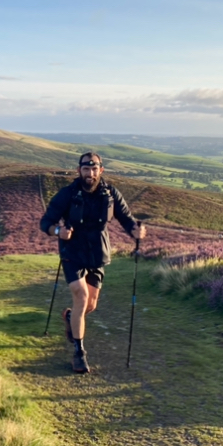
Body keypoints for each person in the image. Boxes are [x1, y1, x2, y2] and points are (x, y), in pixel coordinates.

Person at [40, 152, 146, 373]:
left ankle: (70, 317)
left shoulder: (111, 194)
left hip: (98, 252)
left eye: (94, 169)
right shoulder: (67, 194)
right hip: (72, 251)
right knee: (81, 295)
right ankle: (79, 353)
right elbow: (46, 222)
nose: (90, 173)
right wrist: (58, 231)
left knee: (91, 304)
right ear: (79, 170)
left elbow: (126, 218)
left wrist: (136, 231)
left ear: (101, 170)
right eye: (86, 169)